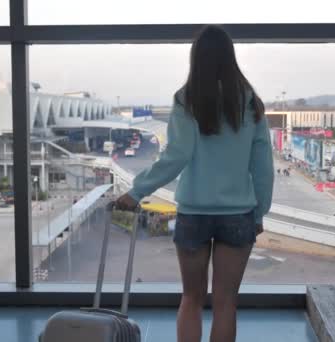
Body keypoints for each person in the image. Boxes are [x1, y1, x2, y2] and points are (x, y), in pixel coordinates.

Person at [116, 24, 274, 342]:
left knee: (191, 298)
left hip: (194, 213)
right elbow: (263, 168)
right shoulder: (250, 103)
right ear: (230, 58)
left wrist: (136, 192)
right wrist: (259, 214)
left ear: (196, 58)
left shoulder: (186, 99)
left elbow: (175, 157)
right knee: (226, 302)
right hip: (238, 213)